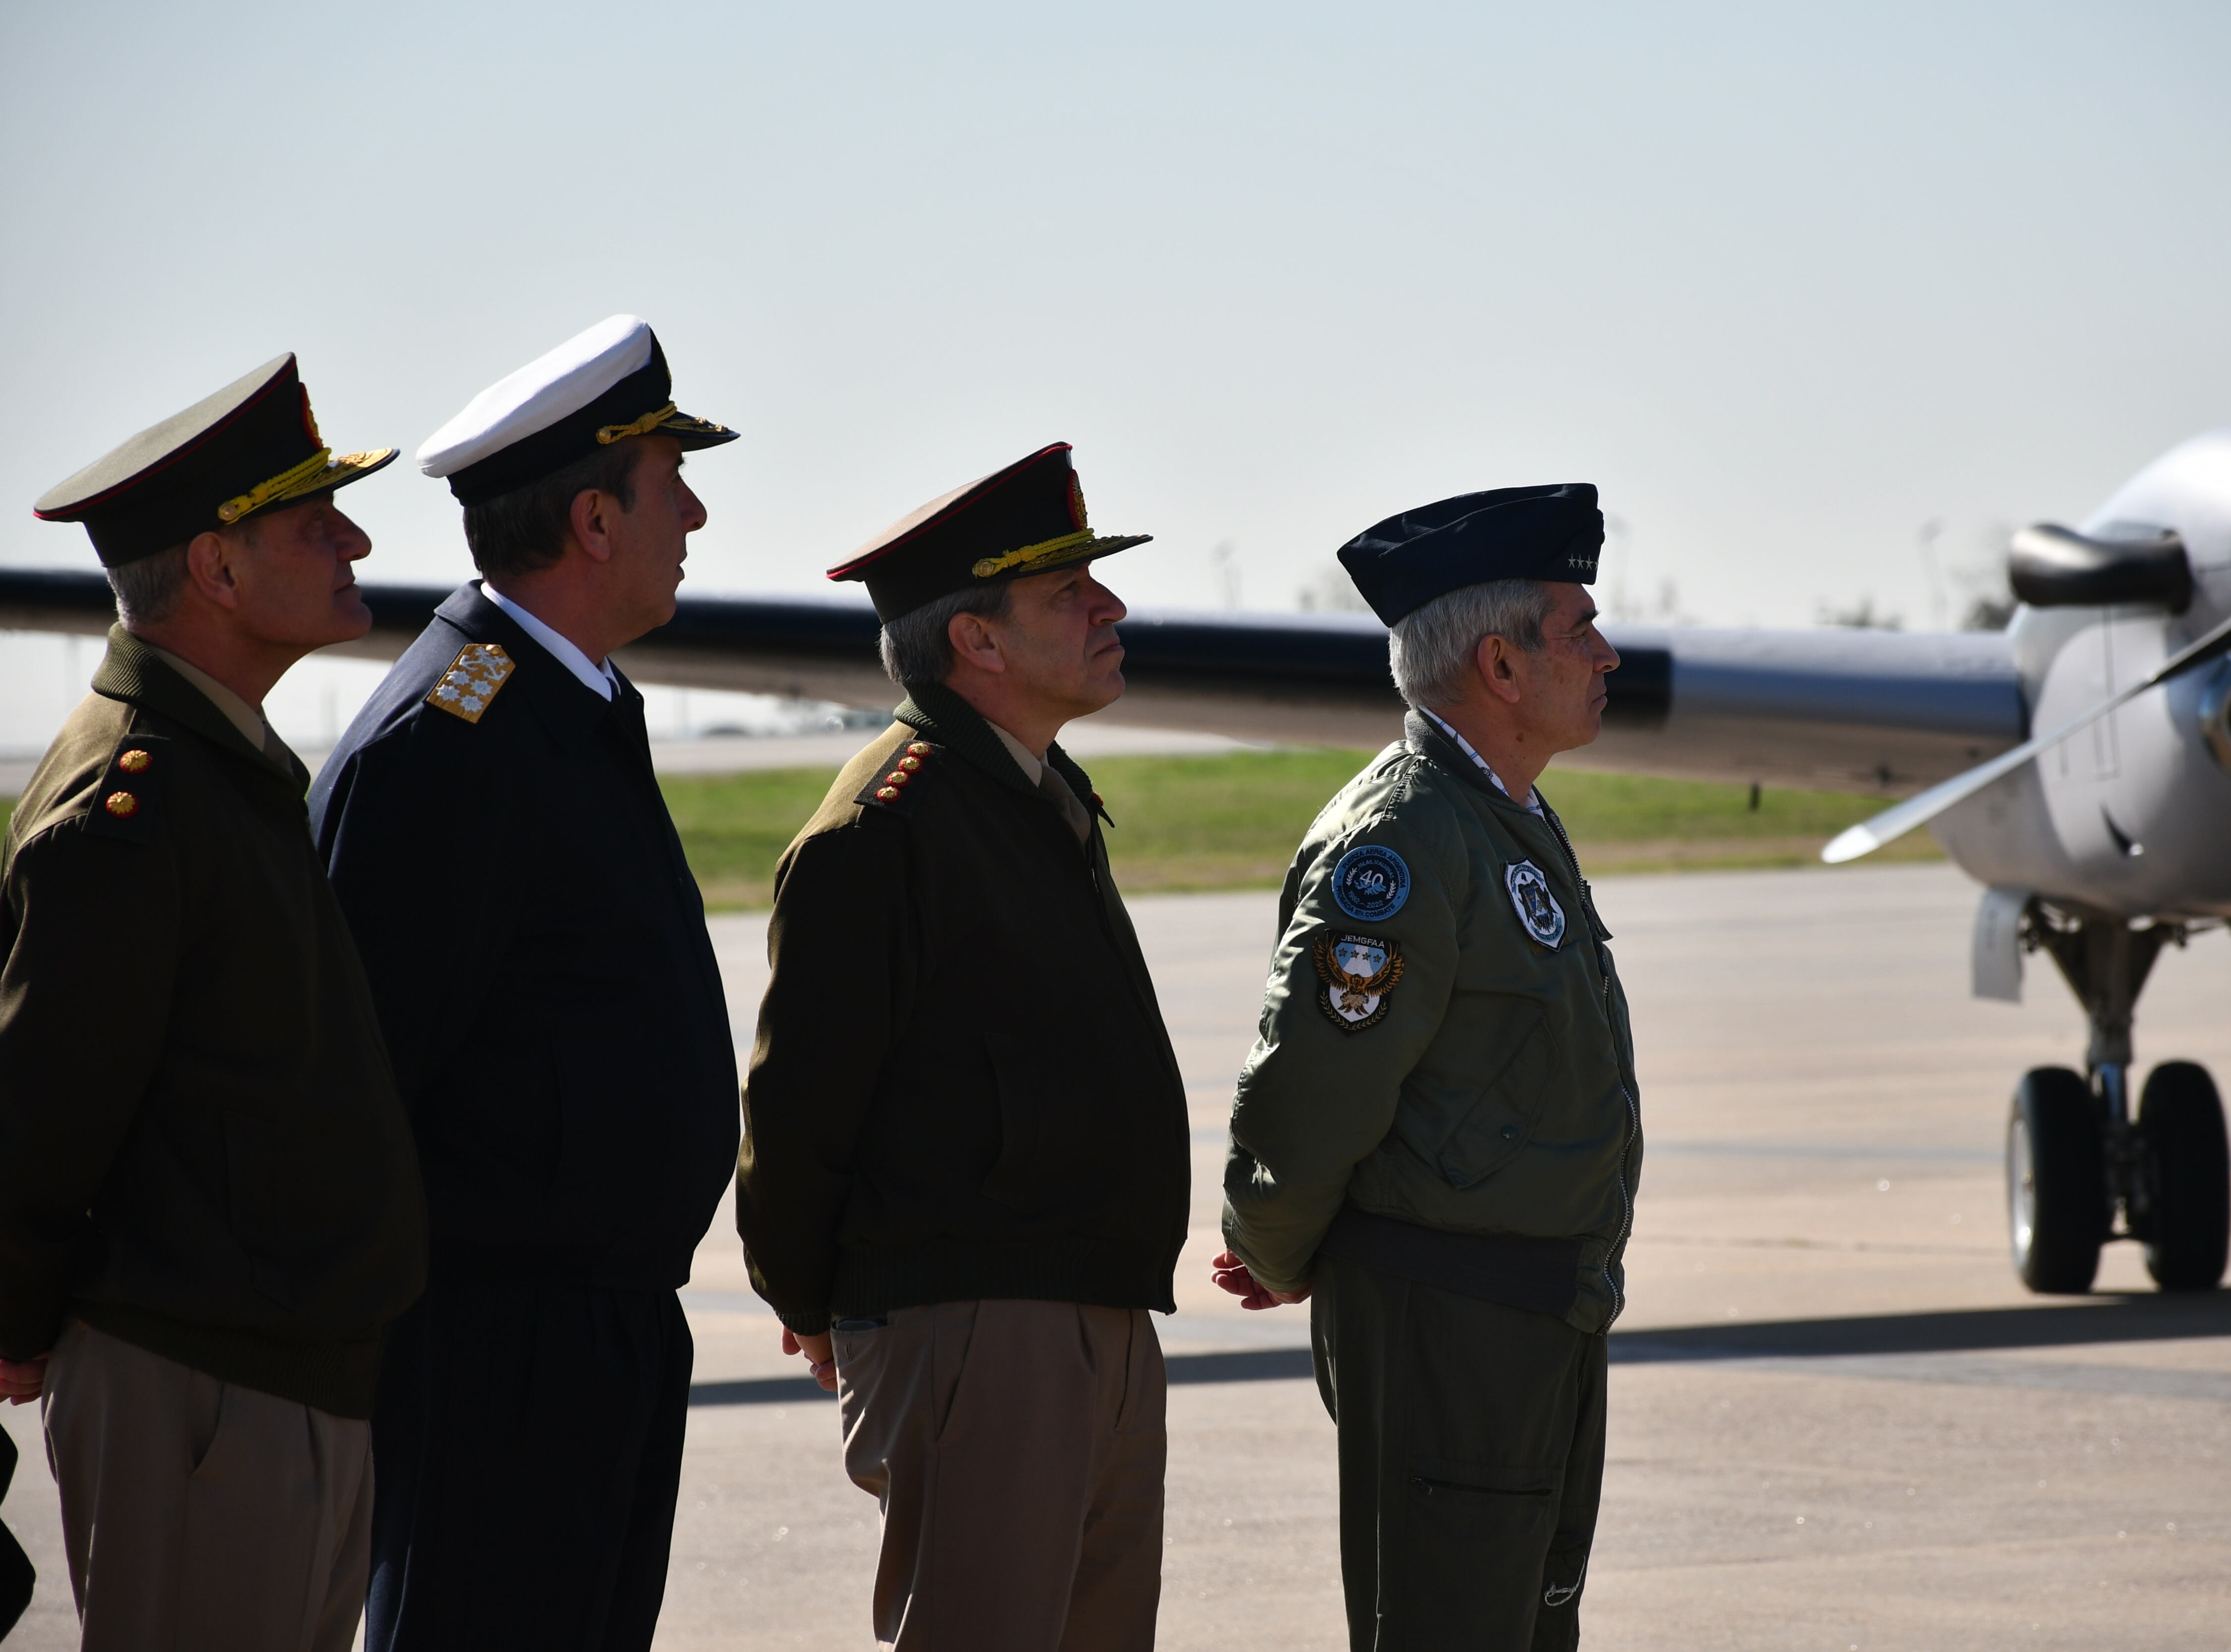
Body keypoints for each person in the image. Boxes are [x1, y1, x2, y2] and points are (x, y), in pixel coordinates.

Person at [306, 316, 742, 1652]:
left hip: (598, 1327)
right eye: (672, 484)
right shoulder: (450, 738)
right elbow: (359, 1088)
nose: (698, 514)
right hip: (493, 1349)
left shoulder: (564, 704)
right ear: (596, 521)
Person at [0, 355, 427, 1650]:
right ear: (217, 568)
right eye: (314, 522)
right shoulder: (135, 799)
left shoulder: (215, 763)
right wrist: (18, 1318)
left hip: (272, 1377)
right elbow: (43, 1112)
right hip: (203, 1387)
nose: (356, 541)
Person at [736, 441, 1189, 1652]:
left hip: (1090, 1310)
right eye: (1067, 592)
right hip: (978, 1326)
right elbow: (798, 1110)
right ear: (976, 640)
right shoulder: (885, 826)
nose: (1110, 606)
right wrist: (810, 1299)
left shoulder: (1031, 792)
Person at [1211, 484, 1640, 1652]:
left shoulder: (1499, 814)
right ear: (1499, 664)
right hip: (1451, 1322)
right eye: (1579, 628)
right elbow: (1314, 1086)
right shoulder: (1402, 836)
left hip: (1536, 1312)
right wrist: (1276, 1243)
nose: (1606, 652)